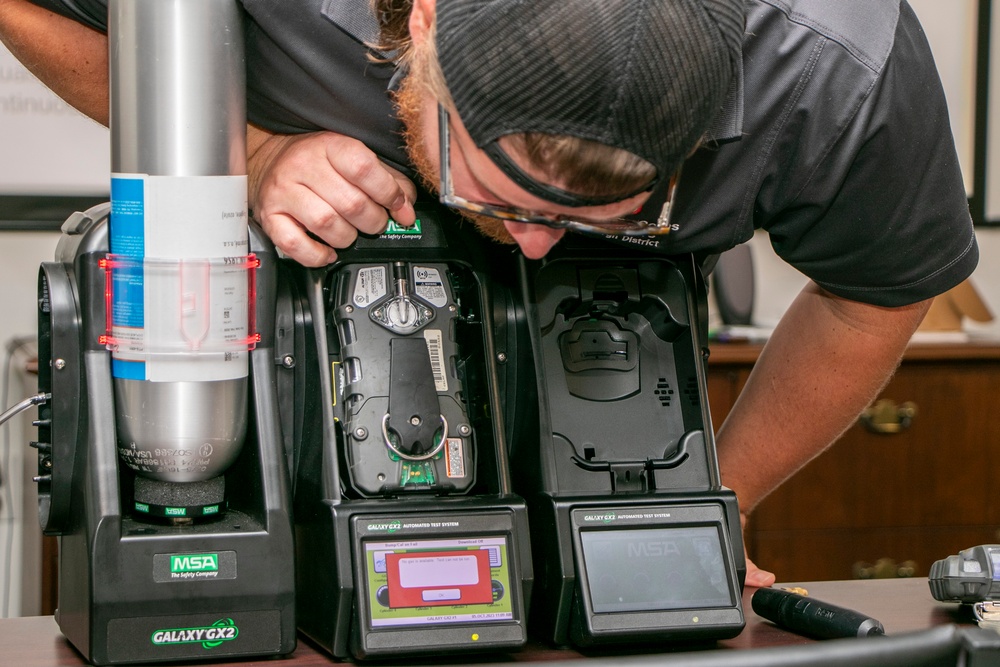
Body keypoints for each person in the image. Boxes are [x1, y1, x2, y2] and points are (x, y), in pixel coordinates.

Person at [0, 0, 979, 590]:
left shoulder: (838, 64)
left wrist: (712, 500)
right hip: (279, 372)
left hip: (604, 391)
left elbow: (871, 292)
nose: (542, 244)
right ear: (424, 26)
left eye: (612, 212)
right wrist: (249, 155)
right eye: (498, 198)